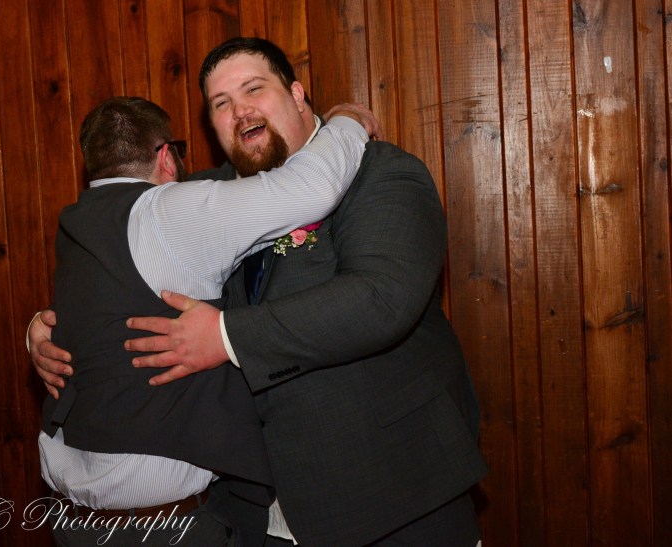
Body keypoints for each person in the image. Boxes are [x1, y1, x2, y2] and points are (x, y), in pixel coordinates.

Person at [32, 38, 487, 546]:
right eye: (220, 103)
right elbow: (118, 268)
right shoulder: (201, 198)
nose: (239, 110)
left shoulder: (380, 172)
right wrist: (45, 327)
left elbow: (381, 300)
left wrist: (226, 336)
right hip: (256, 511)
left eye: (254, 89)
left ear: (297, 95)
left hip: (392, 495)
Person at [37, 95, 377, 547]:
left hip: (71, 522)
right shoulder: (168, 211)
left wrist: (36, 329)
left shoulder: (76, 223)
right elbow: (314, 188)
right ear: (166, 157)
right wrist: (348, 120)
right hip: (160, 530)